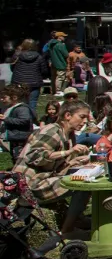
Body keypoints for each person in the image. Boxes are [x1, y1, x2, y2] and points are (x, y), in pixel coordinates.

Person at [12, 100, 93, 235]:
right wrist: (68, 152)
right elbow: (33, 157)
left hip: (43, 180)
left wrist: (73, 162)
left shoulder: (69, 135)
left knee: (85, 179)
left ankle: (76, 220)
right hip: (28, 186)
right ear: (68, 115)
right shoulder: (51, 130)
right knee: (82, 185)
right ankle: (68, 229)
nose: (85, 121)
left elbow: (56, 167)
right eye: (82, 116)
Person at [1, 85, 37, 161]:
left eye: (4, 98)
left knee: (19, 157)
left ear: (14, 97)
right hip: (14, 137)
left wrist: (6, 119)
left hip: (20, 138)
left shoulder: (21, 108)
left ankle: (20, 171)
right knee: (14, 156)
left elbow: (24, 120)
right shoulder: (11, 108)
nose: (1, 99)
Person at [10, 39, 48, 112]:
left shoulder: (17, 56)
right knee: (32, 103)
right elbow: (44, 71)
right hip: (34, 83)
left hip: (19, 82)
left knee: (19, 103)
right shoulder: (39, 57)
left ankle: (20, 119)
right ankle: (31, 121)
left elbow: (12, 68)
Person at [49, 32, 69, 96]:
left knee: (53, 77)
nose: (64, 38)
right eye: (63, 36)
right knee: (60, 77)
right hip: (60, 63)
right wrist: (64, 46)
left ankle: (53, 90)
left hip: (53, 63)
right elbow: (66, 54)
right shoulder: (60, 45)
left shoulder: (51, 44)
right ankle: (58, 91)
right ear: (59, 37)